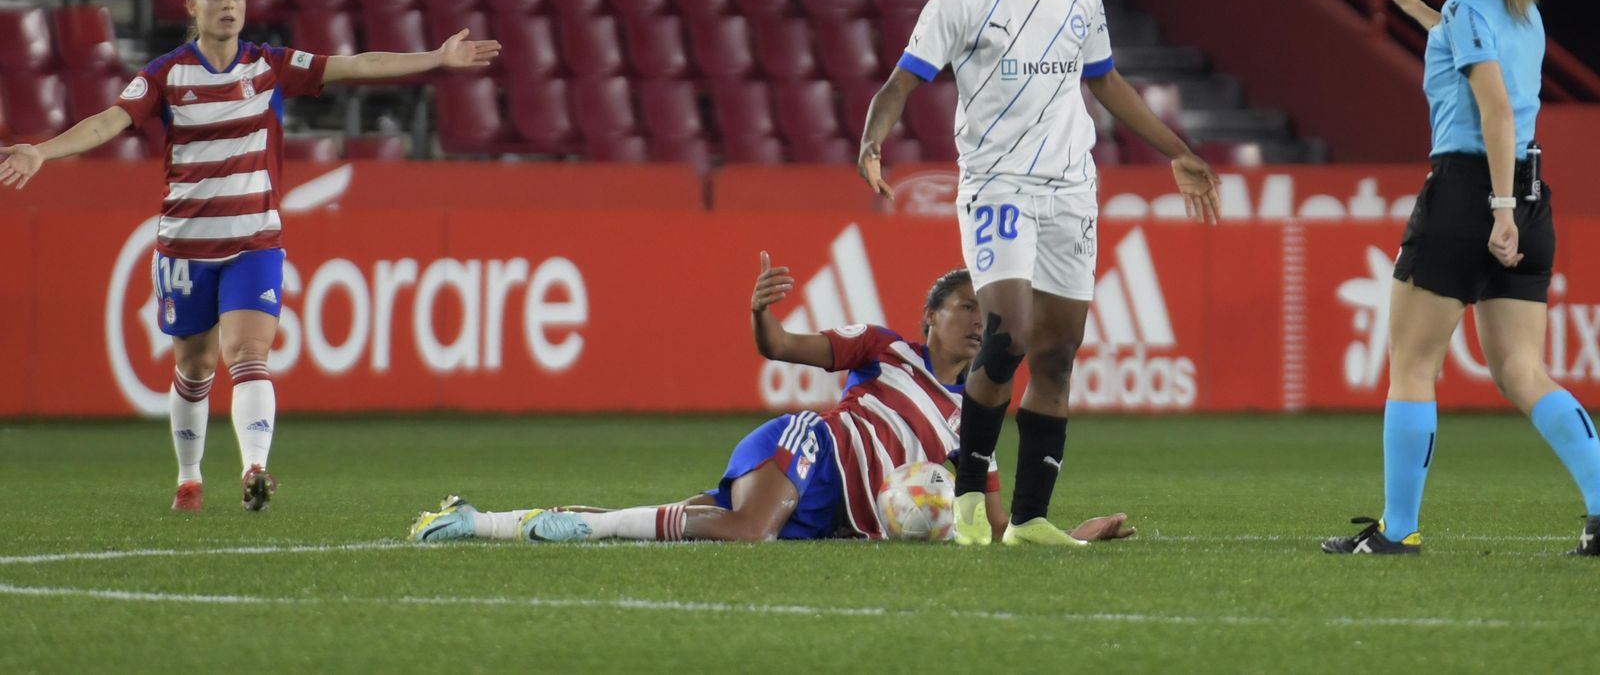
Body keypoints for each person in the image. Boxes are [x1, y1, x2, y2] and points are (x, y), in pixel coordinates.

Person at [0, 0, 500, 513]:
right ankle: (189, 478)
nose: (228, 5)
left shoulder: (269, 66)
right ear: (192, 6)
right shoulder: (166, 74)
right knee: (194, 366)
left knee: (247, 351)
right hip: (186, 249)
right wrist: (41, 153)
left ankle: (254, 468)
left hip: (253, 243)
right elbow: (108, 121)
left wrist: (436, 57)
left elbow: (357, 64)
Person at [856, 0, 1221, 547]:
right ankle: (967, 498)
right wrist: (873, 139)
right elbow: (901, 84)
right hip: (999, 186)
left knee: (1056, 355)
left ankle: (1027, 520)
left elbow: (1107, 82)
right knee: (1010, 334)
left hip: (1071, 190)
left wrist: (1176, 149)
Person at [408, 254, 1137, 545]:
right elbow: (782, 347)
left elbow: (997, 524)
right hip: (812, 446)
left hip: (835, 517)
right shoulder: (886, 348)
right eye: (963, 305)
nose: (979, 319)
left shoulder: (974, 416)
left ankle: (484, 521)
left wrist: (1073, 537)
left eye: (986, 308)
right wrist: (761, 314)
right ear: (929, 319)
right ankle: (557, 529)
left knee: (709, 520)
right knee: (745, 529)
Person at [1323, 0, 1600, 557]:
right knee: (1521, 371)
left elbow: (1495, 111)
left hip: (1472, 192)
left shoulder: (1466, 8)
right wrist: (1412, 6)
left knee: (1412, 364)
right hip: (1531, 193)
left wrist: (1497, 212)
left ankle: (1397, 528)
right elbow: (1471, 54)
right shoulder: (1520, 11)